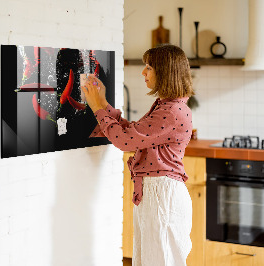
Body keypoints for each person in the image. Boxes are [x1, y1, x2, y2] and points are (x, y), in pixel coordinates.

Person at [82, 44, 194, 266]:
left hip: (162, 195)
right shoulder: (167, 106)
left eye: (149, 67)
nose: (143, 72)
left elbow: (125, 141)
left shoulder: (171, 111)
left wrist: (97, 108)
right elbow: (133, 133)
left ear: (165, 72)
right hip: (157, 193)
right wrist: (103, 103)